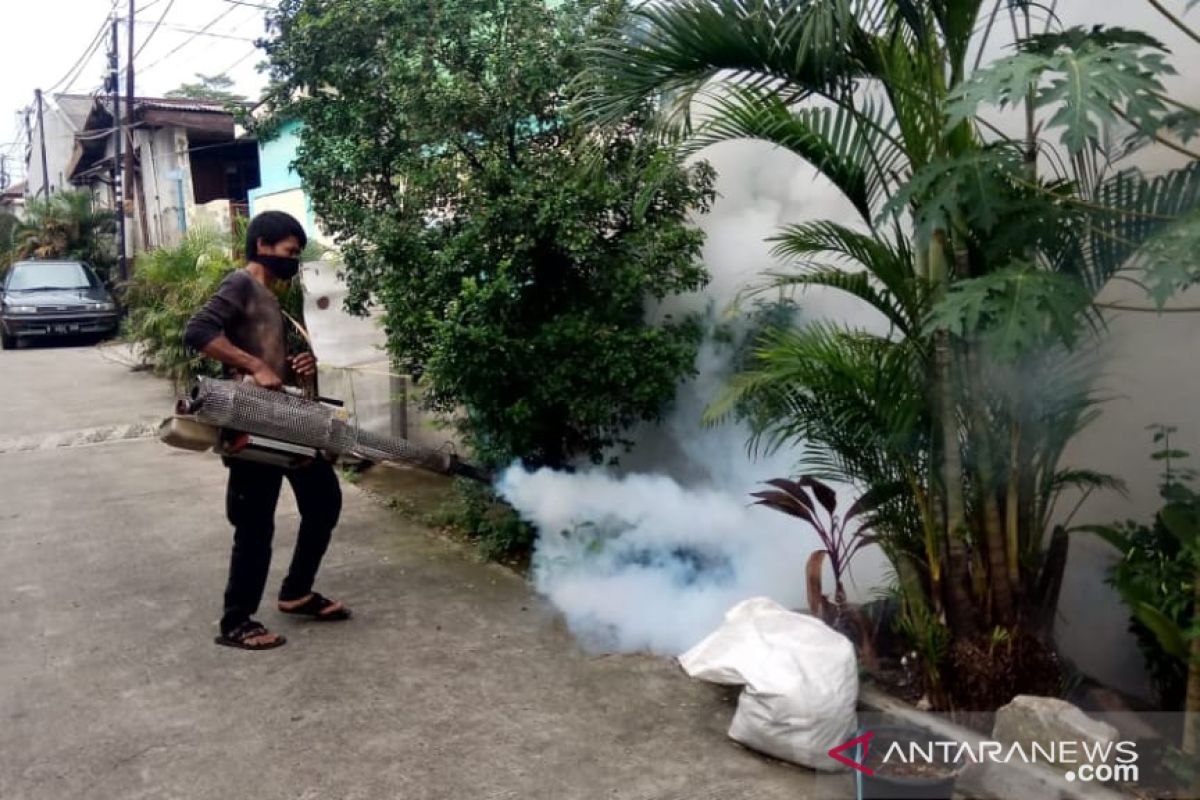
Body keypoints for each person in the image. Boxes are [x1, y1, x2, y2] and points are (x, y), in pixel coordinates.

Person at [184, 211, 350, 651]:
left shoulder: (270, 297)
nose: (293, 263)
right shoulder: (240, 284)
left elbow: (279, 363)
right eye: (289, 253)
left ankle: (296, 592)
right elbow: (198, 330)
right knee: (255, 525)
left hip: (283, 421)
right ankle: (236, 621)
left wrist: (302, 367)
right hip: (249, 424)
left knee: (323, 502)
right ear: (262, 245)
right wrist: (255, 365)